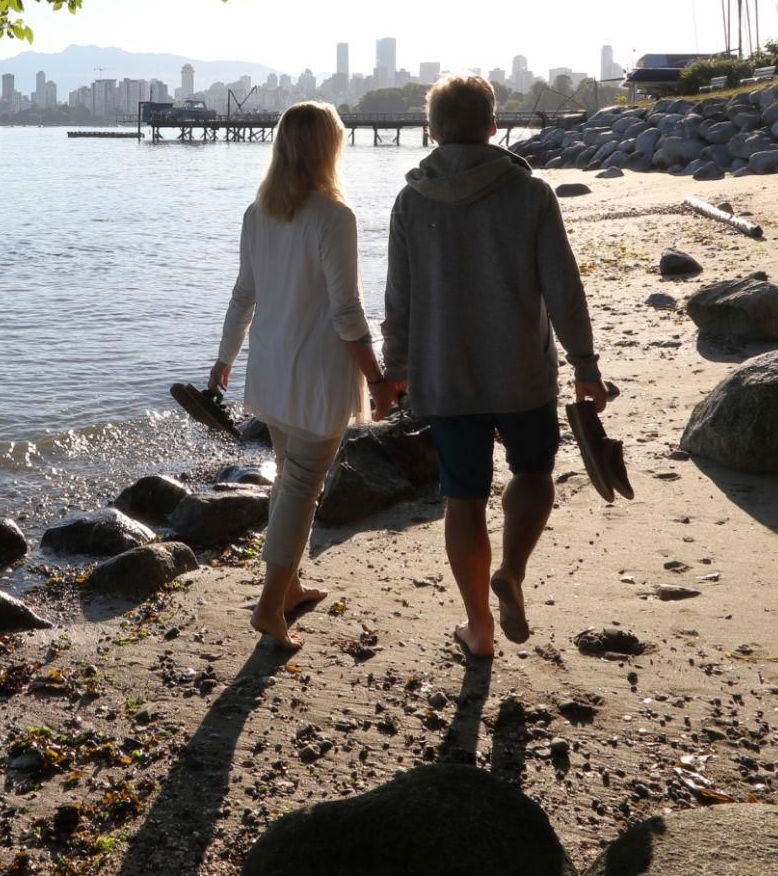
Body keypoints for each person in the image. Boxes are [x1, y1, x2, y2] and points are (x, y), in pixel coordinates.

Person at [380, 74, 603, 660]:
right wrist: (585, 363)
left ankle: (478, 628)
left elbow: (397, 301)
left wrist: (393, 370)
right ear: (493, 124)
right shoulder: (530, 195)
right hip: (521, 371)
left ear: (433, 129)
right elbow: (564, 288)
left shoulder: (411, 200)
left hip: (445, 376)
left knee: (464, 498)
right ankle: (511, 570)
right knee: (532, 474)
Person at [210, 101, 397, 649]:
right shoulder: (333, 216)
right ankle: (270, 605)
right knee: (301, 484)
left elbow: (244, 294)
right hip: (316, 374)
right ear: (327, 148)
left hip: (270, 369)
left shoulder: (258, 212)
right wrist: (379, 378)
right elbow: (347, 310)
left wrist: (224, 357)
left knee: (290, 477)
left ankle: (287, 588)